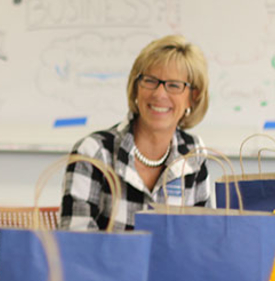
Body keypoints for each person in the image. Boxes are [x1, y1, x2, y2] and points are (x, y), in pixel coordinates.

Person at [60, 34, 212, 231]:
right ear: (136, 87)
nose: (159, 94)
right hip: (106, 263)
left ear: (193, 97)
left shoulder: (194, 154)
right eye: (150, 81)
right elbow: (76, 243)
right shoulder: (94, 152)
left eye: (174, 85)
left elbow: (202, 238)